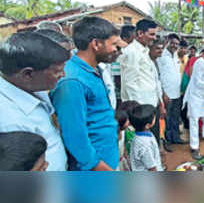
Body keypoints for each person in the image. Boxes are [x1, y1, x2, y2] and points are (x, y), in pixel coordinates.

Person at [50, 16, 121, 170]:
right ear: (96, 44)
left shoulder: (94, 70)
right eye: (114, 44)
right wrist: (96, 166)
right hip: (94, 168)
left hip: (106, 157)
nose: (116, 49)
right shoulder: (72, 81)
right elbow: (74, 135)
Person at [0, 31, 69, 171]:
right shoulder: (9, 121)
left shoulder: (33, 86)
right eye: (57, 71)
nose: (63, 75)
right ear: (28, 74)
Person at [157, 34, 188, 147]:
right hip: (167, 94)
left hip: (177, 93)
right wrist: (163, 93)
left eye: (176, 44)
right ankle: (167, 141)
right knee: (166, 119)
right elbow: (158, 76)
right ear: (167, 41)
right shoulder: (161, 55)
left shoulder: (175, 56)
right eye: (172, 43)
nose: (174, 45)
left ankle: (176, 138)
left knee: (175, 117)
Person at [124, 103, 163, 171]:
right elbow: (152, 168)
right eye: (154, 117)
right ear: (147, 125)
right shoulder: (145, 145)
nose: (155, 118)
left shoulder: (140, 135)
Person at [148, 39, 167, 151]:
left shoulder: (156, 62)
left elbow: (158, 83)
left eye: (161, 48)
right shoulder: (147, 62)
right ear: (150, 49)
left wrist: (161, 102)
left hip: (156, 100)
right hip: (149, 102)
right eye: (157, 48)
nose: (160, 51)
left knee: (157, 127)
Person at [112, 25, 136, 108]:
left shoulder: (134, 53)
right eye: (134, 39)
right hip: (121, 97)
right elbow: (118, 80)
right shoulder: (119, 55)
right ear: (125, 39)